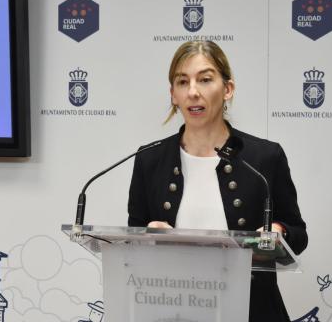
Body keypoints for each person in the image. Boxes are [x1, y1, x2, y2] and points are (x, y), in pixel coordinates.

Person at [127, 41, 307, 322]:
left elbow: (298, 232)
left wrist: (278, 230)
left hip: (253, 310)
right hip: (172, 308)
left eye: (205, 79)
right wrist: (147, 235)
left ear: (227, 89)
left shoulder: (264, 157)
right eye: (182, 81)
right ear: (173, 94)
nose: (193, 92)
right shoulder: (150, 159)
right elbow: (132, 236)